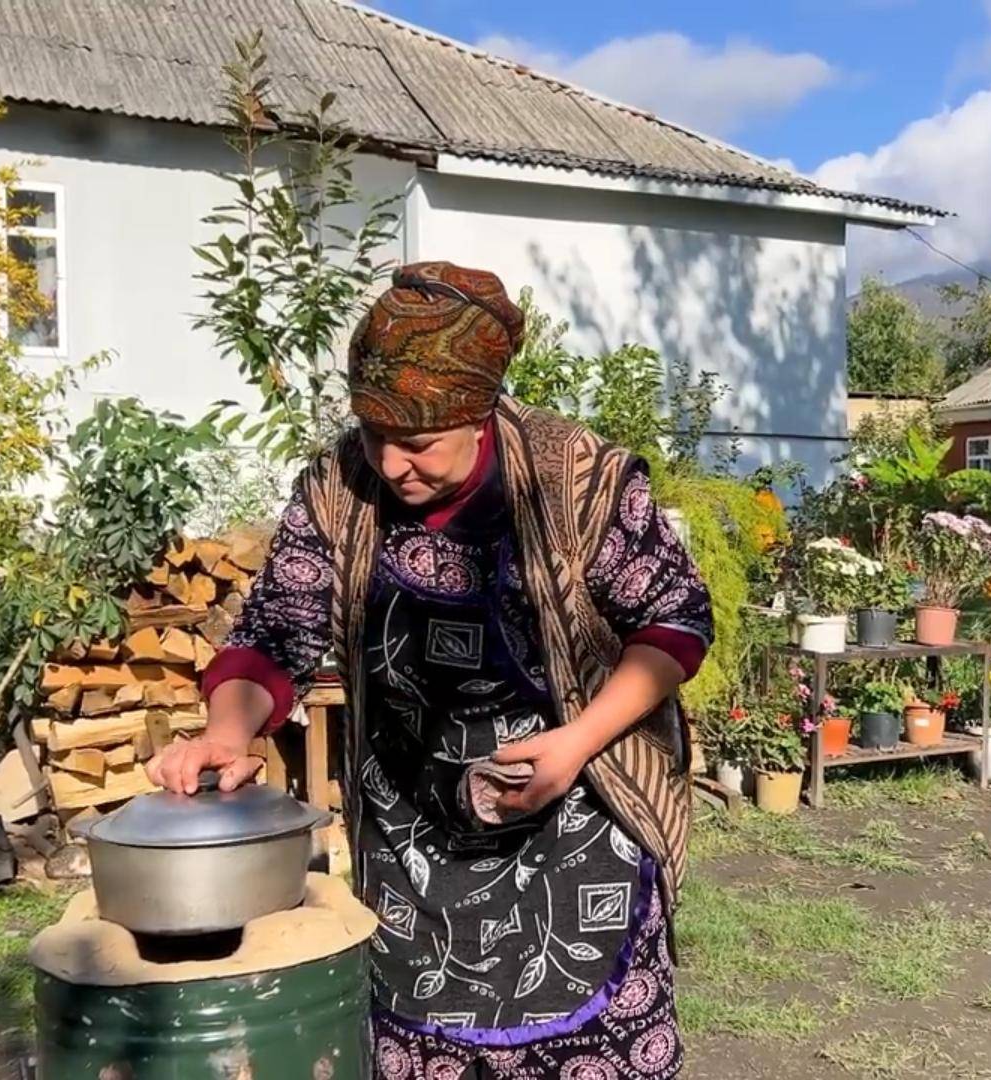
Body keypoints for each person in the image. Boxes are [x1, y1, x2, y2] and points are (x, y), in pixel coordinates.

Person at [148, 261, 712, 1079]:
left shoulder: (578, 479)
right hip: (412, 844)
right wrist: (226, 733)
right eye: (373, 434)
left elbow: (674, 622)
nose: (389, 463)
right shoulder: (337, 487)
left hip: (580, 823)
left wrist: (575, 743)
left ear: (478, 416)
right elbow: (276, 628)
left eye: (415, 444)